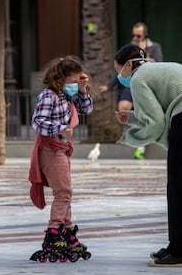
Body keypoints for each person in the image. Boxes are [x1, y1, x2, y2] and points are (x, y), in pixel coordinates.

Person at [114, 44, 182, 267]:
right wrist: (132, 118)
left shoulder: (138, 78)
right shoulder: (162, 68)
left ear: (129, 65)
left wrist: (130, 138)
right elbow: (159, 111)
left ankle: (180, 253)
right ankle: (176, 246)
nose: (120, 77)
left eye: (119, 71)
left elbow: (155, 124)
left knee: (179, 185)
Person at [28, 56, 93, 261]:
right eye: (73, 81)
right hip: (50, 149)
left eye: (77, 80)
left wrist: (82, 90)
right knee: (63, 192)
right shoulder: (49, 96)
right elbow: (37, 122)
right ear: (60, 78)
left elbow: (86, 109)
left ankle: (67, 230)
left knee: (65, 192)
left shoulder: (67, 97)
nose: (75, 84)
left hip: (62, 149)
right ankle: (54, 232)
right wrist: (60, 130)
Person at [100, 22, 163, 158]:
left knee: (145, 111)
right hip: (132, 82)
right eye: (133, 35)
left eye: (138, 35)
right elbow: (120, 69)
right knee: (124, 107)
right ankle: (136, 137)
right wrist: (109, 85)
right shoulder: (128, 48)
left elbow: (159, 63)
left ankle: (141, 146)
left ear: (145, 34)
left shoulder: (155, 47)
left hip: (146, 81)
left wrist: (143, 54)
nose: (135, 38)